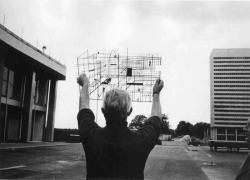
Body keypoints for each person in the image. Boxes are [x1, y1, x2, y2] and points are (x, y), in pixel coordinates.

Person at [77, 73, 164, 179]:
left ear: (103, 111)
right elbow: (156, 117)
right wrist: (156, 93)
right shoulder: (142, 140)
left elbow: (84, 107)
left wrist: (85, 84)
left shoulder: (91, 135)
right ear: (130, 111)